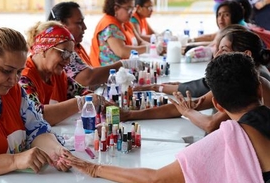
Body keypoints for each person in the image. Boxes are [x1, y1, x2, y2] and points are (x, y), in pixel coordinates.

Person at [64, 53, 270, 182]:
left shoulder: (229, 140)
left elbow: (155, 179)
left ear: (216, 104)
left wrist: (93, 168)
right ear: (260, 91)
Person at [0, 27, 71, 183]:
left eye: (19, 72)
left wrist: (56, 151)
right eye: (7, 71)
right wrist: (15, 161)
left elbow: (36, 128)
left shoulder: (13, 92)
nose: (14, 80)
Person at [124, 28, 270, 133]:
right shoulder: (242, 75)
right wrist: (131, 114)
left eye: (224, 50)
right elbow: (191, 104)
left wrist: (187, 112)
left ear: (246, 55)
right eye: (218, 49)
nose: (217, 54)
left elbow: (210, 124)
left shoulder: (249, 81)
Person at [47, 1, 144, 96]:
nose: (85, 27)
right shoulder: (59, 51)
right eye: (79, 23)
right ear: (62, 25)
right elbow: (87, 78)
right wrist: (124, 64)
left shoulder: (77, 47)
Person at [20, 21, 104, 126]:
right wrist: (81, 102)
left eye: (70, 55)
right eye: (64, 53)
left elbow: (86, 94)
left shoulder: (57, 75)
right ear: (43, 49)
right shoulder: (23, 77)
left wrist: (125, 113)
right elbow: (36, 115)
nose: (68, 61)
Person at [89, 0, 151, 67]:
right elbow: (121, 51)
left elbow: (140, 42)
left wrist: (153, 47)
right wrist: (147, 48)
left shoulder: (125, 22)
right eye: (129, 8)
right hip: (108, 73)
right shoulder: (110, 26)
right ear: (116, 9)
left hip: (125, 69)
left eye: (133, 9)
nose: (132, 13)